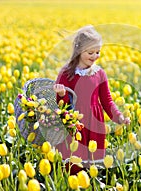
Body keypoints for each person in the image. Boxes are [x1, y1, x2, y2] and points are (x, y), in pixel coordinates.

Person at [53, 25, 130, 174]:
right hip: (74, 123)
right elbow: (61, 105)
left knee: (93, 163)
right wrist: (61, 94)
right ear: (79, 51)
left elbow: (107, 101)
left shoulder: (99, 73)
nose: (95, 56)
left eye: (98, 52)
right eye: (90, 52)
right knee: (74, 162)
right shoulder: (67, 73)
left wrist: (119, 117)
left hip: (95, 122)